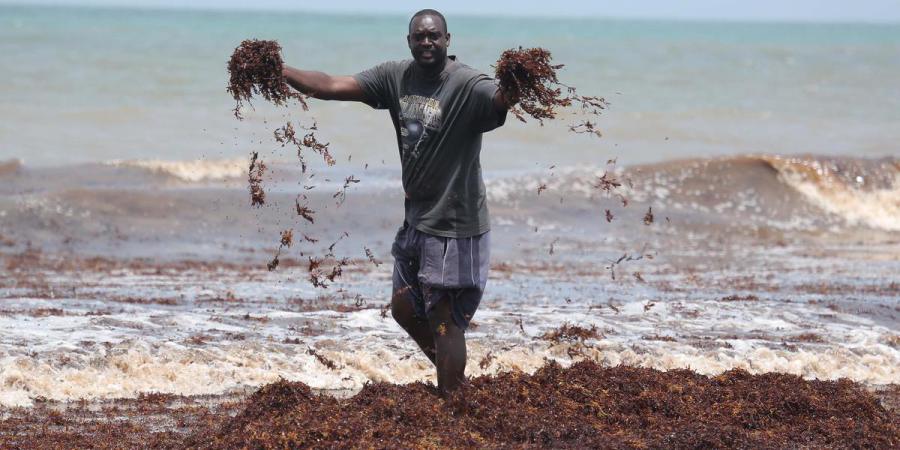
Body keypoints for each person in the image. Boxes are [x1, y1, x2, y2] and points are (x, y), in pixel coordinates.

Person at [282, 9, 516, 396]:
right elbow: (330, 85)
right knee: (405, 309)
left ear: (447, 40)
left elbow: (500, 100)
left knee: (444, 319)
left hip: (454, 224)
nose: (427, 42)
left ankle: (453, 404)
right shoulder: (396, 77)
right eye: (419, 37)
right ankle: (456, 383)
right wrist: (281, 71)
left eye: (434, 36)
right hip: (417, 220)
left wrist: (516, 86)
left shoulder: (467, 84)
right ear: (409, 41)